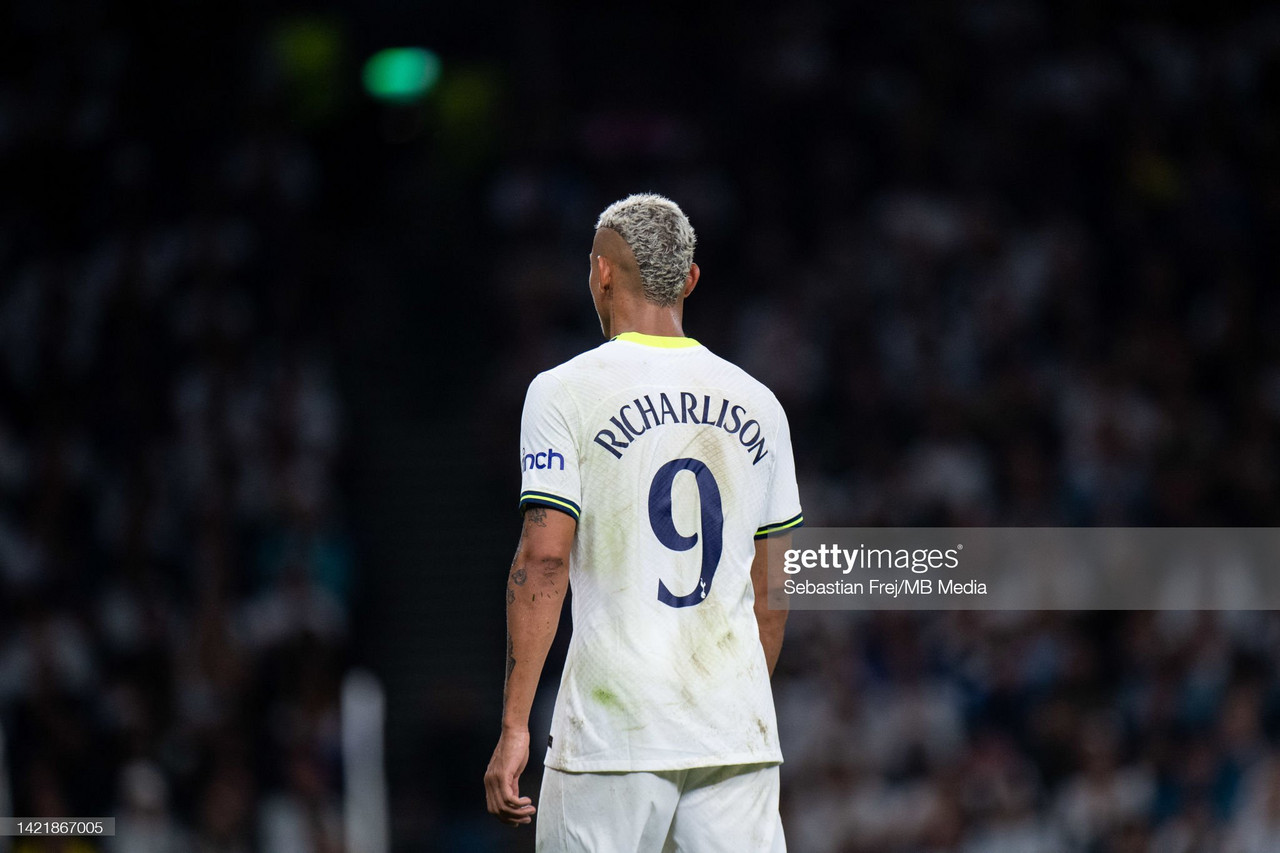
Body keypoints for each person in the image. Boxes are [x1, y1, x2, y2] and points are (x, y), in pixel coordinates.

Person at [483, 193, 803, 852]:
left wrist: (515, 724)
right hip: (732, 728)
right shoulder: (761, 404)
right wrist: (722, 703)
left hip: (613, 731)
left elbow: (545, 559)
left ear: (600, 272)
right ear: (688, 280)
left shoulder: (563, 390)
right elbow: (773, 587)